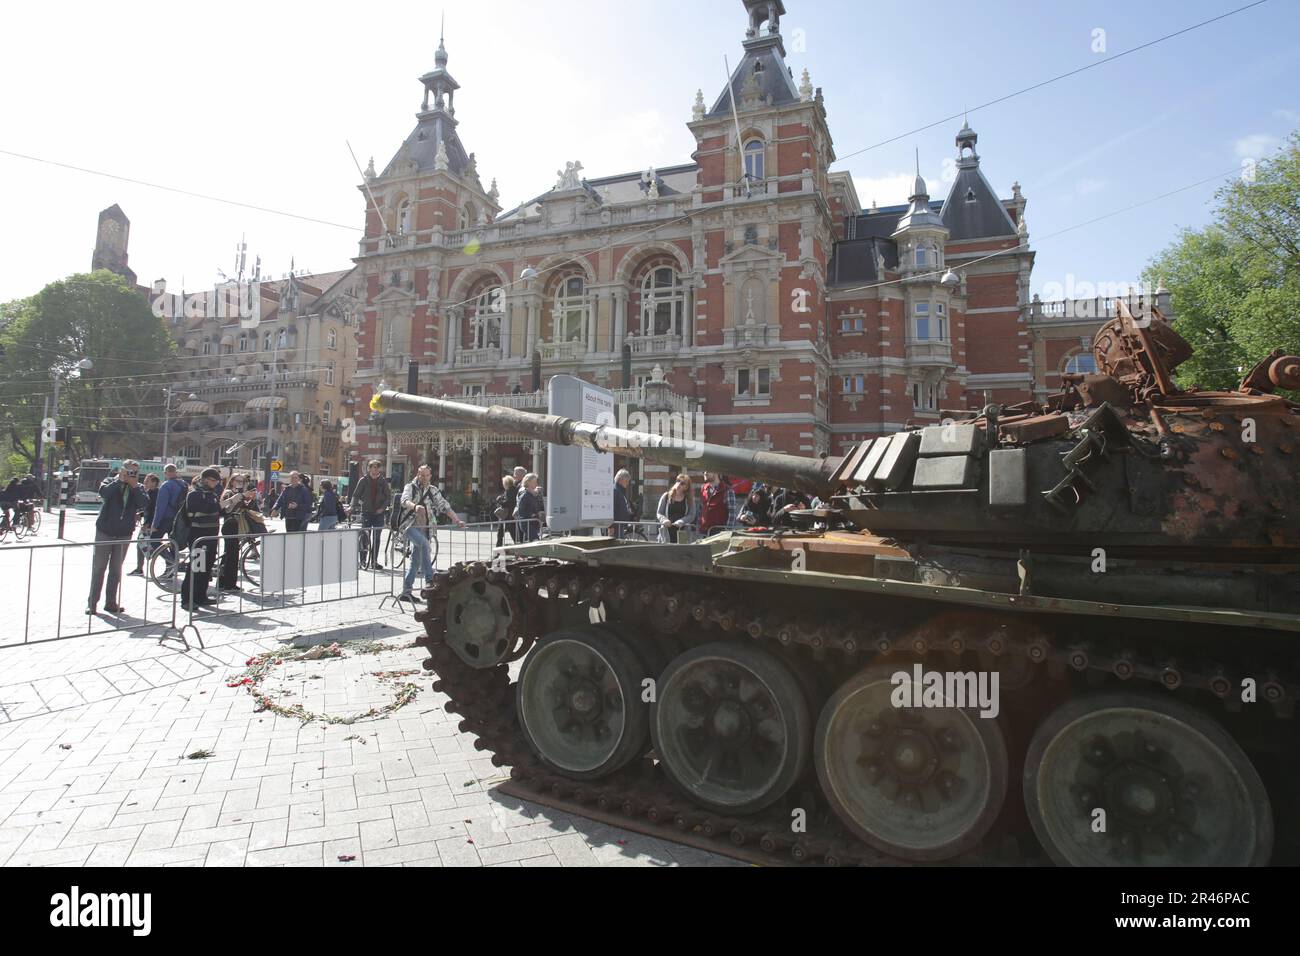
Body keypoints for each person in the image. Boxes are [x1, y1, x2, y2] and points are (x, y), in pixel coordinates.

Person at [87, 460, 148, 616]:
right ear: (122, 470)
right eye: (128, 470)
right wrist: (119, 480)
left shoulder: (138, 487)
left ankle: (111, 603)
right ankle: (92, 604)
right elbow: (104, 493)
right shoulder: (109, 482)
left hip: (124, 532)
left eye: (134, 471)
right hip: (105, 531)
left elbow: (144, 503)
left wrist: (134, 486)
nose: (131, 474)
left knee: (116, 569)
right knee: (99, 568)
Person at [399, 464, 465, 602]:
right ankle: (430, 582)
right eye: (422, 475)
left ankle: (406, 592)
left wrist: (457, 520)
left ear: (430, 476)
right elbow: (404, 501)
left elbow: (444, 506)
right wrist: (415, 506)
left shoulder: (433, 490)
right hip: (409, 526)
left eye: (427, 475)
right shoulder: (410, 487)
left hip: (425, 528)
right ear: (418, 474)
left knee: (415, 561)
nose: (424, 478)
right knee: (425, 546)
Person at [181, 468, 222, 610]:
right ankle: (187, 599)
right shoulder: (194, 494)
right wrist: (216, 504)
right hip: (198, 535)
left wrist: (231, 503)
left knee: (206, 568)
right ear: (205, 479)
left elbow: (219, 511)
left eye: (217, 481)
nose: (215, 484)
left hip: (211, 535)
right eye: (213, 481)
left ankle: (201, 596)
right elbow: (198, 510)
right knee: (196, 567)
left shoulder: (212, 494)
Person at [218, 474, 258, 591]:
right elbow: (227, 509)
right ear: (232, 481)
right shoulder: (229, 493)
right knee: (231, 556)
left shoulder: (237, 493)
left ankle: (224, 582)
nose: (241, 483)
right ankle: (228, 584)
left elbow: (244, 509)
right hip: (230, 525)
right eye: (238, 481)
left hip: (236, 525)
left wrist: (251, 500)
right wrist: (240, 496)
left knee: (230, 555)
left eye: (243, 481)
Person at [350, 460, 391, 570]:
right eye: (373, 467)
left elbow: (388, 498)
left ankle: (374, 561)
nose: (375, 469)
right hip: (367, 512)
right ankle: (363, 560)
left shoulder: (383, 482)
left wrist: (382, 508)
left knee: (376, 538)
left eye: (377, 467)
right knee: (365, 537)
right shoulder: (363, 480)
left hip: (379, 514)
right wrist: (353, 506)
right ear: (369, 468)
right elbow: (356, 495)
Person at [129, 474, 161, 575]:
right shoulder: (148, 492)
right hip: (148, 522)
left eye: (148, 480)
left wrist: (147, 523)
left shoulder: (156, 493)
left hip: (150, 524)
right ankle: (139, 568)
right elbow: (147, 508)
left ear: (154, 482)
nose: (145, 482)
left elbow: (154, 510)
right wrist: (141, 514)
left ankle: (170, 562)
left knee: (148, 544)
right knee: (142, 544)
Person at [656, 473, 696, 544]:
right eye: (678, 481)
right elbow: (659, 513)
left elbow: (691, 515)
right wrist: (664, 520)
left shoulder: (689, 499)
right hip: (667, 532)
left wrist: (682, 521)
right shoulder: (666, 496)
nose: (679, 484)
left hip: (683, 532)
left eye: (682, 483)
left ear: (686, 487)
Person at [699, 472, 735, 536]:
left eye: (708, 471)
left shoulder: (727, 490)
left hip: (719, 533)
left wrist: (727, 531)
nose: (705, 473)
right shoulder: (703, 488)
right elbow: (701, 510)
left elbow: (732, 513)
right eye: (704, 471)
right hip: (704, 532)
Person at [514, 473, 543, 542]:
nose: (536, 483)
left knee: (531, 542)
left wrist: (538, 513)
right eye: (534, 482)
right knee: (536, 541)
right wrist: (532, 514)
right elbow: (521, 510)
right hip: (526, 523)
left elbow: (537, 506)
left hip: (533, 522)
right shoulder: (524, 494)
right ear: (528, 482)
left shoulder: (532, 494)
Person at [494, 474, 517, 547]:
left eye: (503, 483)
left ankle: (497, 550)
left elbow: (508, 503)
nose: (503, 485)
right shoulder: (512, 490)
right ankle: (519, 549)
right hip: (511, 516)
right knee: (513, 533)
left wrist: (499, 500)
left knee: (500, 533)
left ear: (506, 483)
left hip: (507, 515)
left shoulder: (510, 491)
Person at [612, 469, 636, 538]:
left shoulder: (620, 491)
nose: (627, 483)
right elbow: (612, 509)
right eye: (626, 481)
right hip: (616, 526)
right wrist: (611, 526)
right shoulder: (615, 491)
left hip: (620, 525)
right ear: (620, 480)